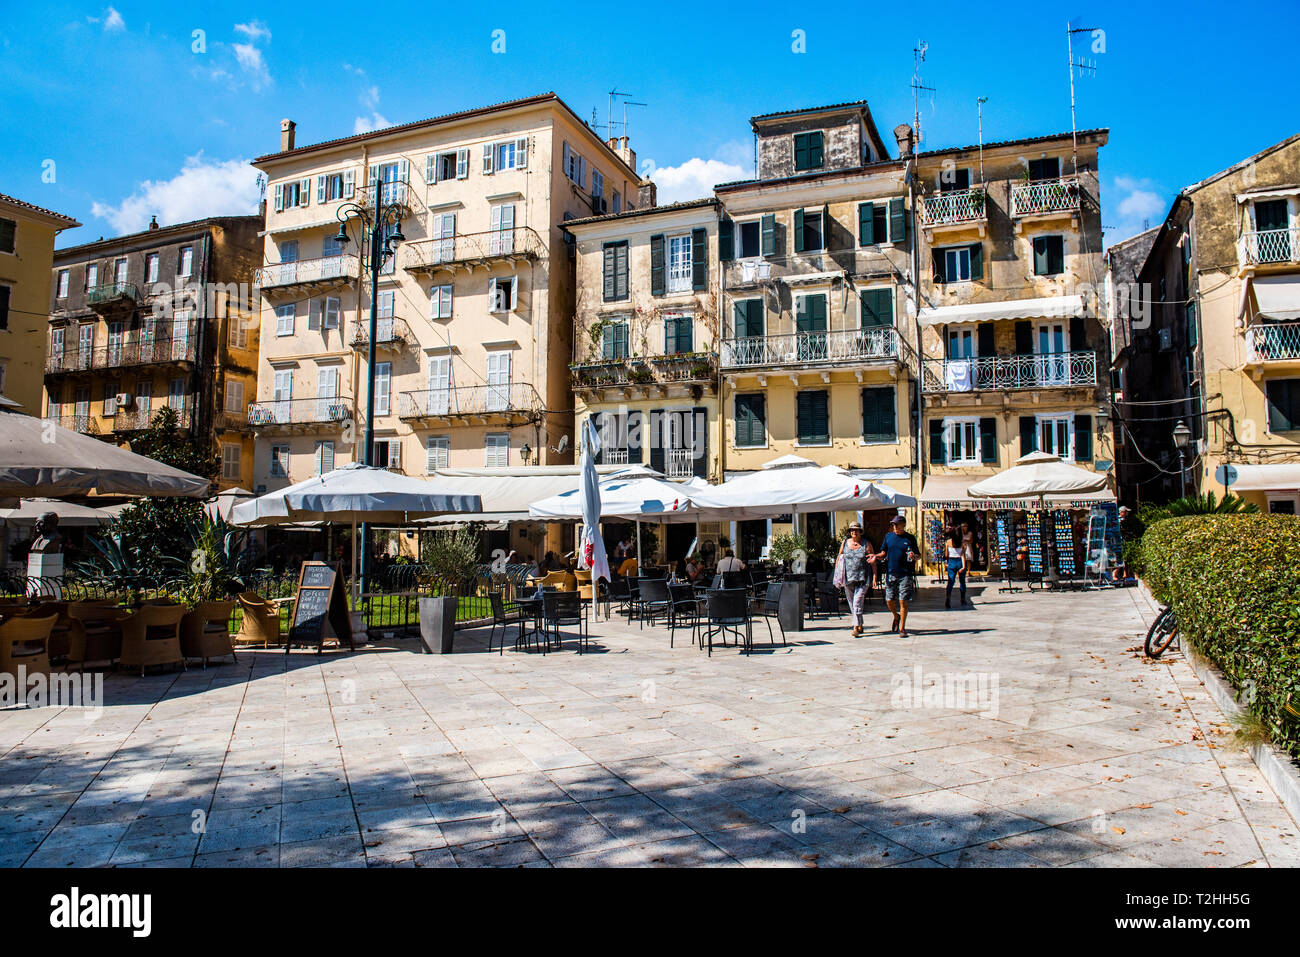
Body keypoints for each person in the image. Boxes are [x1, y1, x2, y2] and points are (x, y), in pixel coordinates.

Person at [875, 514, 920, 638]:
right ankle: (896, 616)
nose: (894, 526)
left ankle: (902, 628)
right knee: (889, 600)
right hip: (891, 573)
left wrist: (914, 556)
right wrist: (875, 556)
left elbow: (918, 555)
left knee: (903, 601)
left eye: (896, 524)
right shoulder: (888, 537)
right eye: (893, 524)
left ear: (903, 525)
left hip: (905, 574)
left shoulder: (910, 538)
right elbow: (884, 553)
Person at [837, 522, 876, 638]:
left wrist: (874, 577)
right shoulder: (845, 543)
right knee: (852, 603)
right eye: (852, 530)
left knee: (857, 601)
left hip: (862, 578)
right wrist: (837, 575)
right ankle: (860, 624)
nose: (854, 532)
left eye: (856, 530)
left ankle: (855, 627)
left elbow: (873, 560)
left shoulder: (866, 544)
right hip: (848, 578)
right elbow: (839, 557)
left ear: (860, 532)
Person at [944, 526, 969, 608]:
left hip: (951, 562)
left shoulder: (948, 542)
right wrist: (964, 566)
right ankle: (962, 599)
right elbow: (963, 555)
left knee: (950, 582)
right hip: (960, 562)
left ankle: (948, 598)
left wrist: (946, 564)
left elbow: (946, 555)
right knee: (962, 582)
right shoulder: (963, 544)